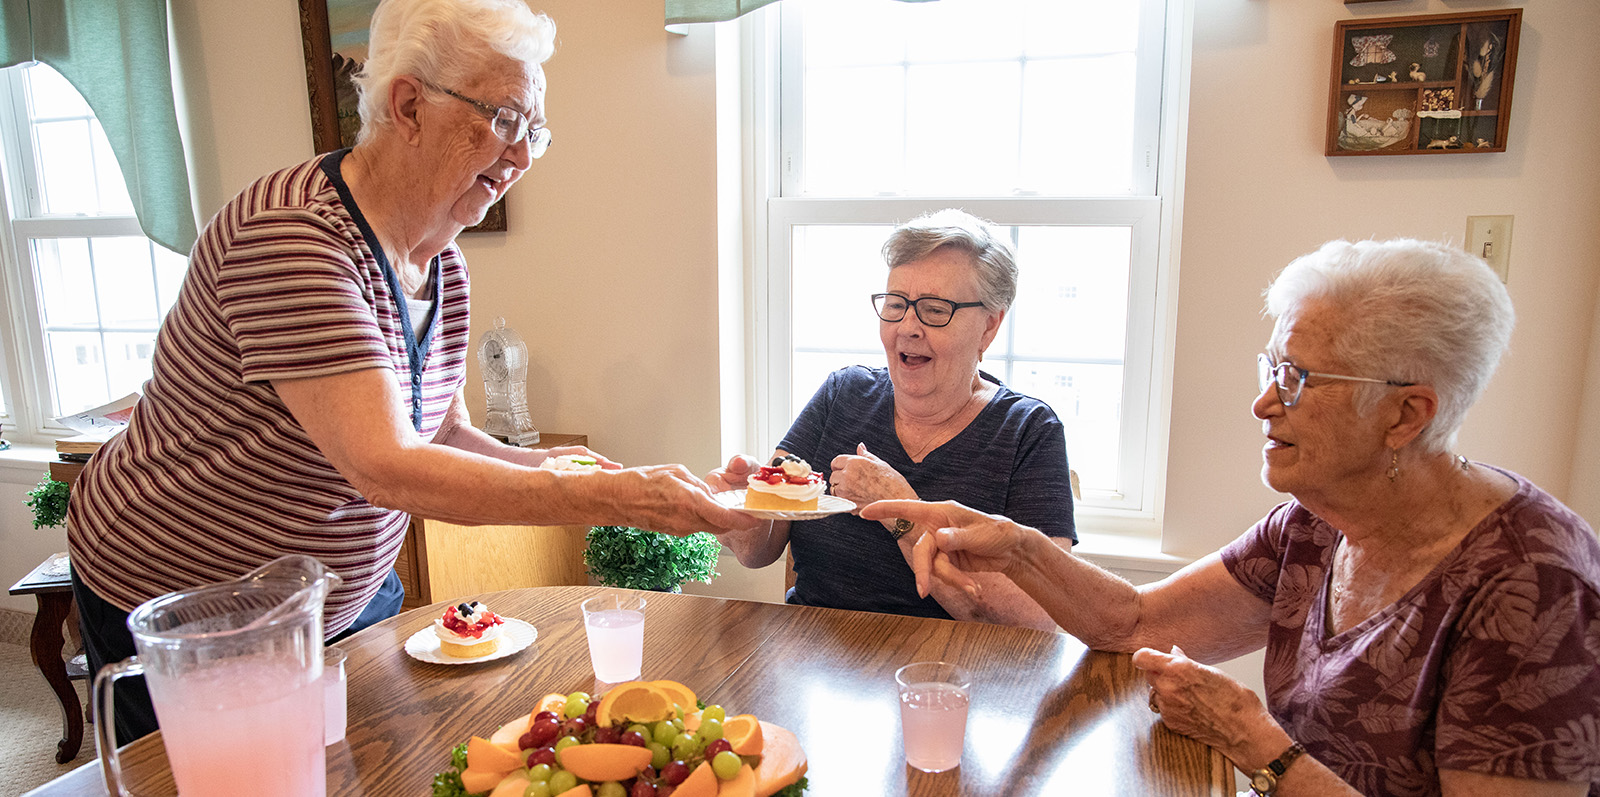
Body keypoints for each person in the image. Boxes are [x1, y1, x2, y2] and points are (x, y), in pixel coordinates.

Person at [67, 0, 747, 744]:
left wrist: (557, 463)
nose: (521, 156)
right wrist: (612, 494)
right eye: (506, 120)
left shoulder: (440, 263)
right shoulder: (293, 237)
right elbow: (387, 466)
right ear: (409, 105)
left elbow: (441, 428)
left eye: (535, 132)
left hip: (333, 595)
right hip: (192, 599)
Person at [867, 239, 1600, 796]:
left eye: (1299, 379)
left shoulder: (1535, 585)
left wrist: (1262, 747)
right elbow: (1133, 622)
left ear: (1407, 414)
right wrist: (1018, 547)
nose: (1264, 402)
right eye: (1272, 368)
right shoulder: (1313, 523)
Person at [708, 209, 1075, 629]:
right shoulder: (843, 394)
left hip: (955, 672)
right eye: (897, 305)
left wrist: (901, 512)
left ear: (989, 327)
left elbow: (1043, 614)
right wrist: (740, 504)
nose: (908, 327)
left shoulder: (1029, 431)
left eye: (935, 310)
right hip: (814, 660)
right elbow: (760, 552)